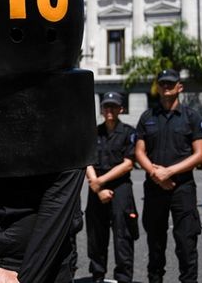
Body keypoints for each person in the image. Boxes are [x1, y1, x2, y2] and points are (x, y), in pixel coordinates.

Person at [135, 69, 202, 283]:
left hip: (182, 188)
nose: (166, 87)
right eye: (163, 83)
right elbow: (139, 151)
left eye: (171, 83)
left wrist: (169, 172)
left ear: (179, 87)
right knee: (155, 244)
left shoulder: (191, 116)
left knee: (186, 244)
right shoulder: (147, 116)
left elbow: (200, 154)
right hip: (155, 187)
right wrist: (155, 172)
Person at [85, 92, 137, 283]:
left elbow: (128, 163)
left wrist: (100, 181)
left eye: (114, 107)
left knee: (123, 236)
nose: (109, 110)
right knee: (96, 235)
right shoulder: (94, 132)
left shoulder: (129, 133)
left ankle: (123, 277)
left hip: (120, 187)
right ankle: (98, 275)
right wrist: (97, 187)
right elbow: (87, 160)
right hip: (96, 188)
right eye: (106, 106)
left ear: (121, 109)